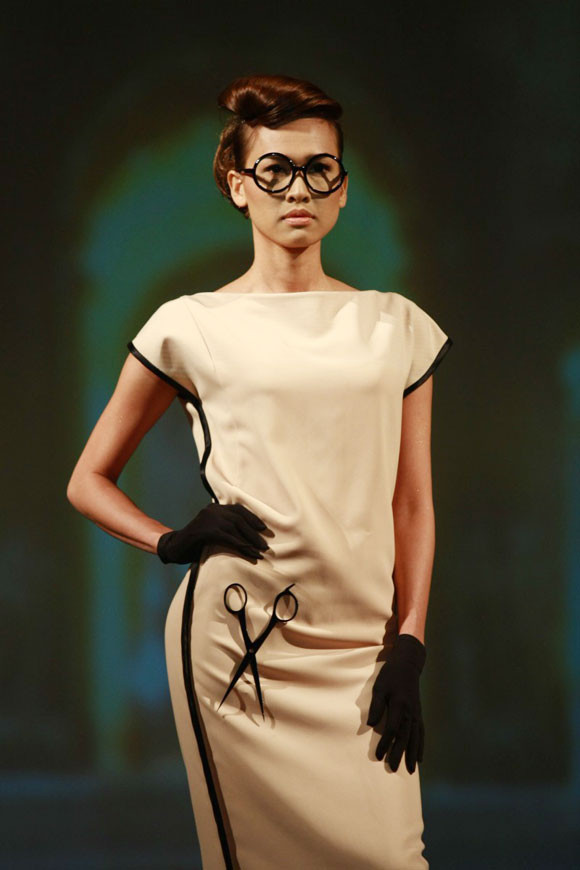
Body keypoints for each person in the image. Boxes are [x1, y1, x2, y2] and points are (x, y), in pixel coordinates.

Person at [67, 72, 453, 870]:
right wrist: (171, 541)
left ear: (343, 187)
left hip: (362, 651)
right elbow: (88, 479)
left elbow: (412, 504)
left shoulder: (397, 328)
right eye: (274, 170)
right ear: (238, 185)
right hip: (242, 640)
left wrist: (410, 644)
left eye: (319, 169)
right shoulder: (189, 326)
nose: (298, 189)